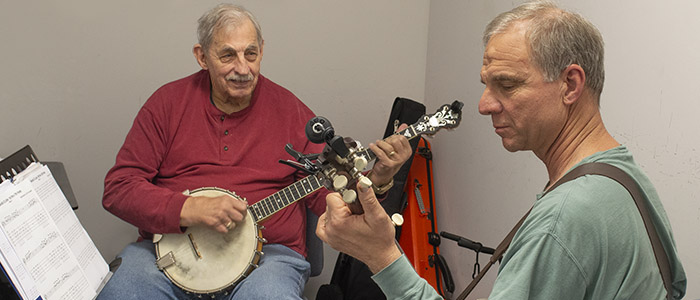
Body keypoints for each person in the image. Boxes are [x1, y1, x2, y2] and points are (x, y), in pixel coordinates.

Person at [317, 1, 687, 299]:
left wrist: (380, 256)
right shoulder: (626, 178)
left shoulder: (564, 218)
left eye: (506, 85)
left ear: (570, 84)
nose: (484, 105)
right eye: (486, 84)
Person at [97, 4, 411, 300]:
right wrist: (189, 209)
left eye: (251, 53)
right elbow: (119, 189)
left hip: (269, 258)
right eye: (227, 55)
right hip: (169, 253)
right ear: (202, 56)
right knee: (124, 291)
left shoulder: (290, 111)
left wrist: (379, 179)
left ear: (262, 50)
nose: (243, 68)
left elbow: (332, 202)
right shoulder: (166, 104)